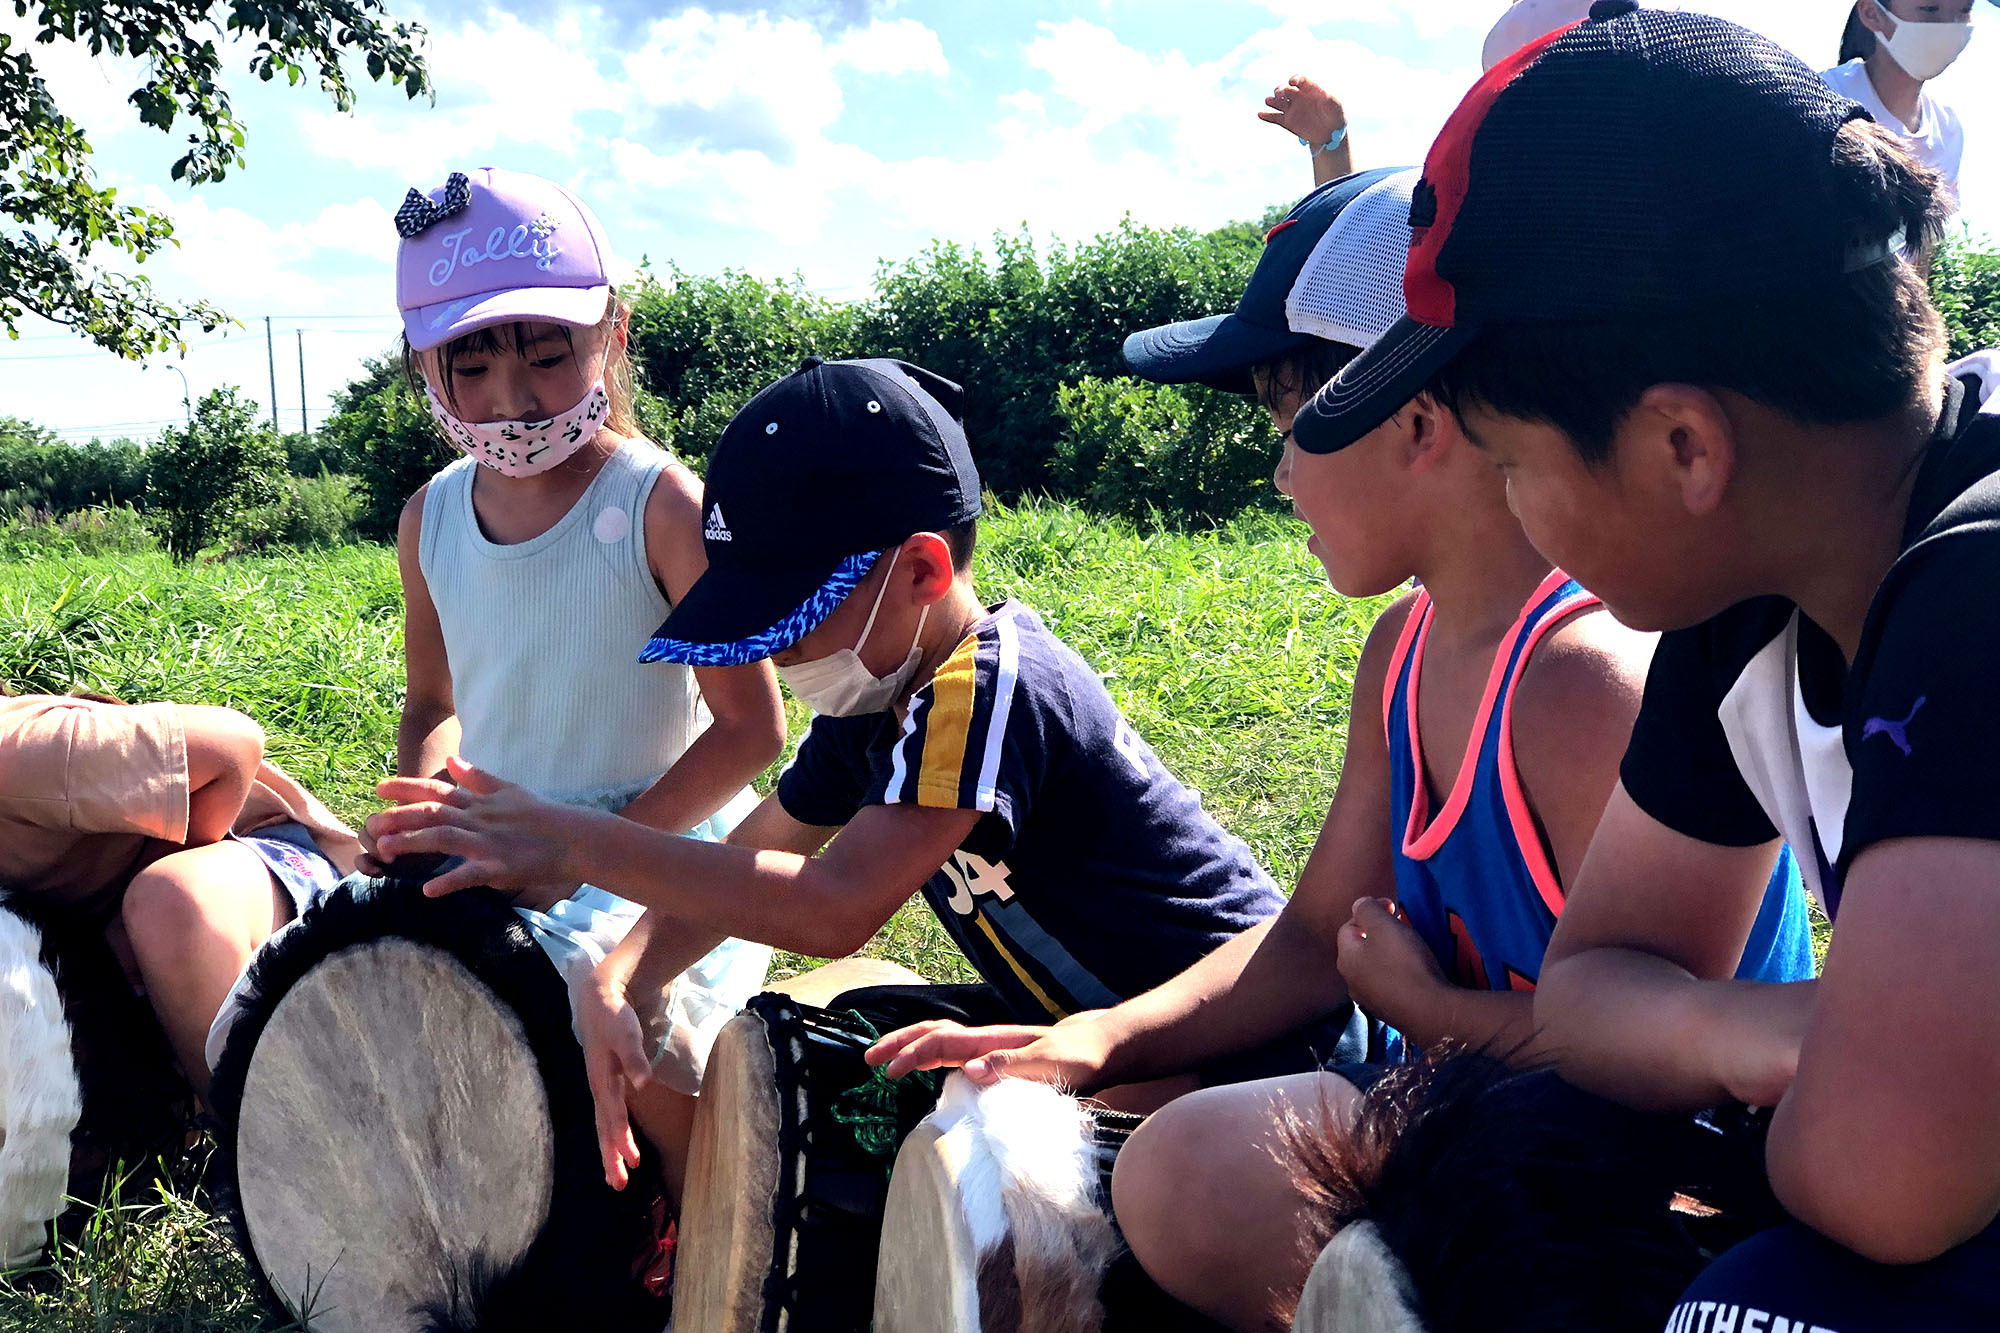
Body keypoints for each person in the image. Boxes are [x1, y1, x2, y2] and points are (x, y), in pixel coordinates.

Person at [864, 167, 1813, 1331]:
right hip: (1473, 1121)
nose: (1274, 473)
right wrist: (1094, 1039)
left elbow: (1685, 1059)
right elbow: (1314, 937)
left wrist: (1430, 1010)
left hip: (1652, 1176)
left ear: (1415, 417)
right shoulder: (1399, 652)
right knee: (1179, 1168)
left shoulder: (1576, 680)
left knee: (1215, 1169)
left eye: (1287, 425)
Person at [1291, 3, 2000, 1324]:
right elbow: (1588, 986)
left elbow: (1880, 1173)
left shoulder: (1979, 585)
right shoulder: (1759, 579)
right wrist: (1768, 1038)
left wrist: (1788, 1079)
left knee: (1764, 1305)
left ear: (1682, 447)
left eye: (1512, 462)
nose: (1511, 507)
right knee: (1509, 1161)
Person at [365, 354, 1299, 1191]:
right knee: (861, 1035)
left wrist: (576, 841)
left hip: (1242, 1026)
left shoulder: (986, 685)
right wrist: (620, 976)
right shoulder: (874, 705)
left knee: (1008, 1156)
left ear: (922, 571)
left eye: (796, 618)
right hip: (1080, 1011)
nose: (785, 654)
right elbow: (753, 853)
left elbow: (829, 907)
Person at [369, 165, 786, 1204]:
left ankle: (706, 1236)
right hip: (500, 833)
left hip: (658, 848)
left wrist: (591, 853)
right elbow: (432, 703)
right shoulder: (433, 516)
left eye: (547, 357)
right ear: (425, 368)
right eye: (470, 371)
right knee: (360, 973)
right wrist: (425, 808)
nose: (511, 404)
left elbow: (751, 729)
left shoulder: (655, 503)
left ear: (612, 335)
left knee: (636, 1031)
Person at [0, 690, 357, 1097]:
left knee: (166, 900)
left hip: (277, 869)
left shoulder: (22, 756)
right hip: (125, 941)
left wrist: (123, 933)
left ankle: (257, 1145)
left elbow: (232, 743)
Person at [1824, 0, 1974, 201]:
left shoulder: (1948, 129)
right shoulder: (1823, 97)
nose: (1949, 25)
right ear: (1872, 14)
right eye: (1929, 9)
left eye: (1965, 10)